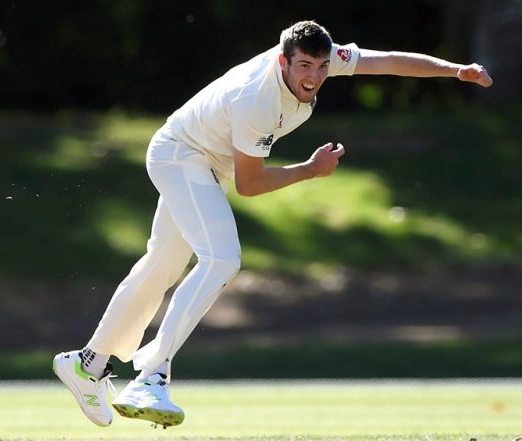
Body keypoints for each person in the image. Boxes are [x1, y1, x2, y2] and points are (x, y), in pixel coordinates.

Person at [53, 20, 493, 429]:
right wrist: (309, 170)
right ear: (283, 61)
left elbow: (386, 62)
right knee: (222, 259)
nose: (314, 77)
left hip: (204, 162)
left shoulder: (321, 60)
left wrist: (456, 71)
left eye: (322, 67)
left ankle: (88, 364)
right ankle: (152, 376)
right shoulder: (257, 100)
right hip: (182, 155)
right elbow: (250, 184)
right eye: (304, 66)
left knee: (161, 266)